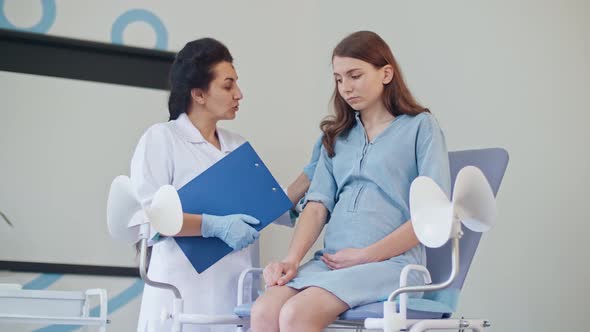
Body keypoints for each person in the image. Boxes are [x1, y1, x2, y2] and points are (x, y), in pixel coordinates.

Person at [251, 31, 451, 332]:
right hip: (331, 263)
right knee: (265, 309)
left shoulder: (420, 127)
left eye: (354, 75)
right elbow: (317, 206)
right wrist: (291, 260)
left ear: (386, 73)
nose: (346, 87)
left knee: (296, 314)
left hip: (392, 265)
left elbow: (432, 216)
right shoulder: (337, 137)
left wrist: (365, 255)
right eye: (339, 78)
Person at [129, 38, 312, 332]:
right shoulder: (162, 139)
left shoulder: (237, 146)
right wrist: (213, 225)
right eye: (228, 86)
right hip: (180, 298)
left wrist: (310, 174)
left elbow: (273, 207)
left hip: (236, 293)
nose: (239, 94)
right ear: (199, 94)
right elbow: (153, 218)